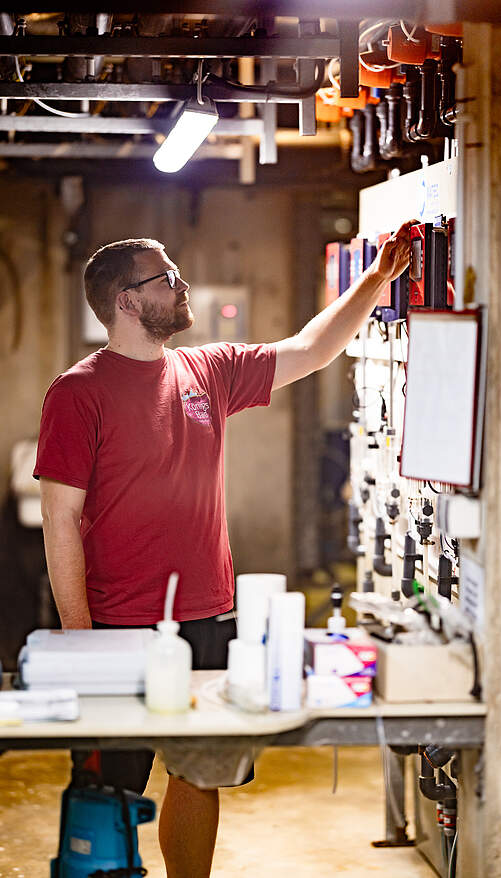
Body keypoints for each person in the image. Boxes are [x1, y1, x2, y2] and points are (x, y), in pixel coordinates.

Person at [34, 222, 411, 878]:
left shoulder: (206, 371)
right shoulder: (78, 392)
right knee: (109, 791)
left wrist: (375, 281)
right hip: (117, 623)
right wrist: (80, 640)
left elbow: (310, 350)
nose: (182, 286)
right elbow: (59, 519)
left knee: (199, 773)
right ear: (126, 300)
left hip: (208, 615)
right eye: (167, 278)